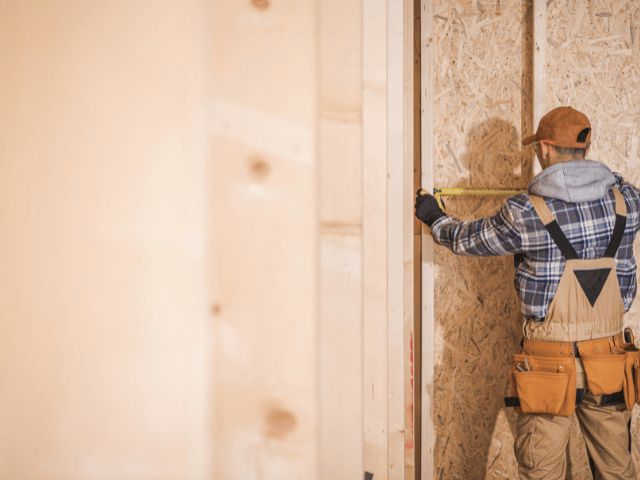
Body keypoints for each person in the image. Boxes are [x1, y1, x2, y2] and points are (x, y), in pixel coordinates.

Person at [415, 106, 640, 480]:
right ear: (585, 149)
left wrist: (435, 217)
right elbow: (615, 180)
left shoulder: (524, 212)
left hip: (549, 367)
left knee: (542, 473)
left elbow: (468, 240)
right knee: (618, 472)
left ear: (547, 149)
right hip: (609, 362)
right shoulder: (628, 201)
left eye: (539, 147)